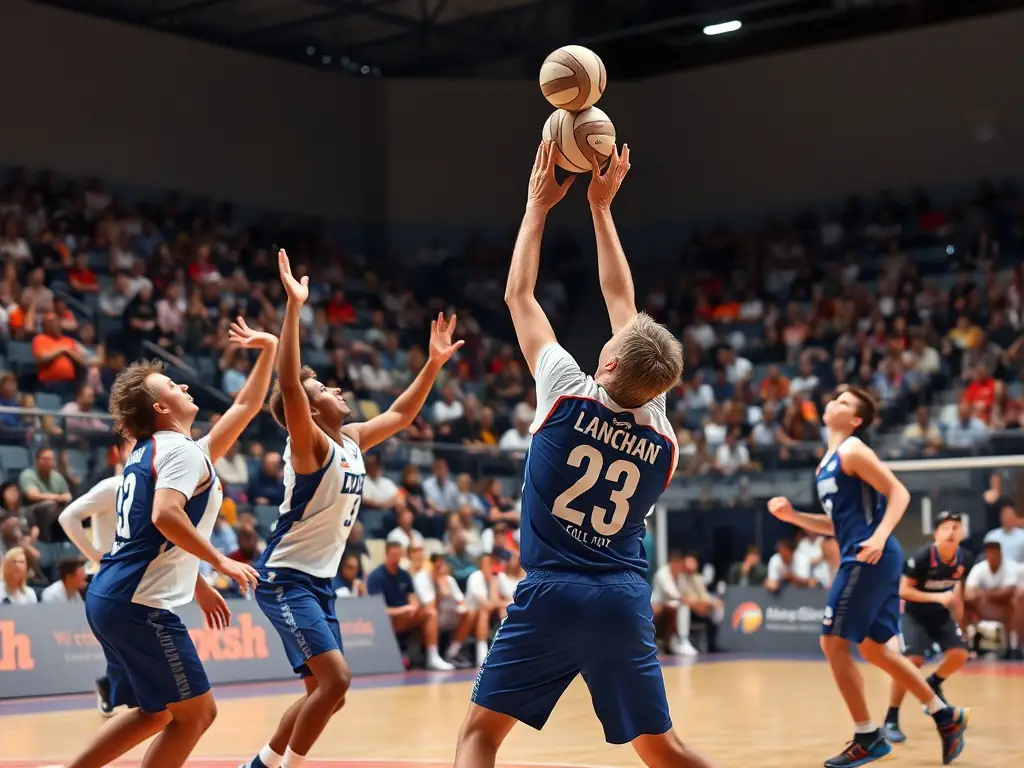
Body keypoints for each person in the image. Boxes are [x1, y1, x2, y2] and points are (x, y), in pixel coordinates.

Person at [455, 141, 718, 768]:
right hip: (622, 598)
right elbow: (622, 301)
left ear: (608, 361)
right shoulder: (663, 435)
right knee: (663, 750)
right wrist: (603, 210)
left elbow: (520, 295)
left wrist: (536, 205)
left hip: (551, 591)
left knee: (478, 738)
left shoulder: (566, 394)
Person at [242, 249, 463, 768]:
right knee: (338, 680)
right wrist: (294, 307)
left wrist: (432, 363)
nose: (337, 390)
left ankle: (262, 766)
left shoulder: (354, 438)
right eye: (326, 390)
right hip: (286, 578)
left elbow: (403, 413)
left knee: (329, 694)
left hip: (318, 581)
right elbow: (291, 384)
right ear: (312, 409)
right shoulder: (310, 444)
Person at [65, 317, 275, 768]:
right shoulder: (177, 452)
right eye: (173, 385)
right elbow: (164, 516)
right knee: (197, 714)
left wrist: (270, 349)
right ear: (162, 407)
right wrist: (220, 561)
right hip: (135, 603)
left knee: (157, 713)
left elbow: (247, 405)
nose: (184, 385)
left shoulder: (163, 450)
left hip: (114, 595)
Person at [768, 384, 969, 767]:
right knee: (875, 649)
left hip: (869, 555)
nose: (833, 401)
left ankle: (867, 735)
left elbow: (899, 493)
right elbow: (836, 524)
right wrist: (793, 516)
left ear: (856, 420)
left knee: (832, 642)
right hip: (864, 551)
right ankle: (945, 714)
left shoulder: (854, 450)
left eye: (844, 402)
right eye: (835, 397)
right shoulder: (827, 462)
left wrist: (877, 537)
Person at [882, 510, 972, 744]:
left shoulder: (965, 558)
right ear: (935, 533)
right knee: (912, 662)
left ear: (962, 532)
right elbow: (903, 591)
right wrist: (938, 598)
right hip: (915, 616)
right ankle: (891, 718)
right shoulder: (923, 557)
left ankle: (931, 685)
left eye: (955, 527)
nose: (951, 532)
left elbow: (958, 592)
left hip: (941, 617)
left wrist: (960, 620)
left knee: (960, 654)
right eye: (945, 527)